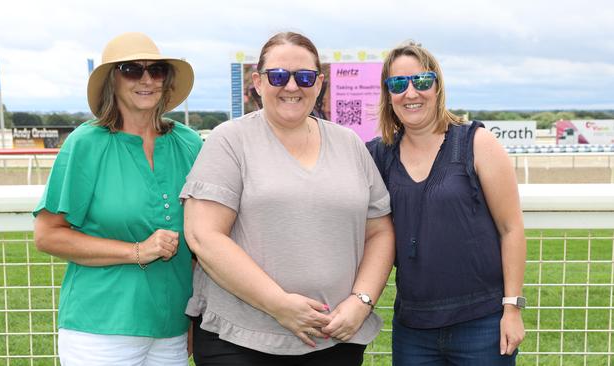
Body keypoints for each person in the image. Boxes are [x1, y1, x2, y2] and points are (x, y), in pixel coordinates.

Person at [181, 31, 395, 366]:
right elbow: (203, 236)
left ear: (320, 83)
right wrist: (277, 303)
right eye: (278, 76)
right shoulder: (230, 141)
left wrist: (361, 301)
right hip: (241, 342)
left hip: (335, 339)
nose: (292, 86)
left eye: (305, 77)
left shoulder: (349, 144)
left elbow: (380, 231)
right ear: (257, 82)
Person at [32, 32, 202, 366]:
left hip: (172, 329)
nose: (147, 79)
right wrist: (136, 251)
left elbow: (203, 242)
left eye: (157, 70)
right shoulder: (86, 144)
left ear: (167, 80)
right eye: (131, 69)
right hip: (100, 329)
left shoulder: (190, 144)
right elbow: (47, 234)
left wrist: (195, 318)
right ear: (113, 80)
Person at [367, 41, 526, 365]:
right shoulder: (379, 155)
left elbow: (511, 228)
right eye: (398, 84)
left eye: (422, 81)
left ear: (437, 87)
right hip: (413, 329)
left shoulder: (476, 142)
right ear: (388, 95)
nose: (411, 93)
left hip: (481, 325)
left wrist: (511, 307)